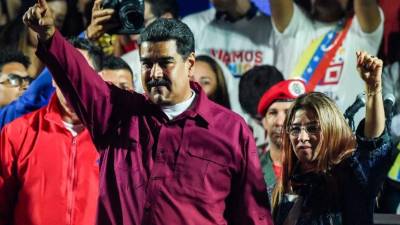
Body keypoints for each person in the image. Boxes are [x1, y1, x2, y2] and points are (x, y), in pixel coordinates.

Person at [23, 1, 273, 225]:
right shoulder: (117, 113)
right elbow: (79, 78)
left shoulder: (231, 129)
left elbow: (253, 214)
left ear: (190, 64)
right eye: (147, 64)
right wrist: (49, 37)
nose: (154, 74)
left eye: (165, 63)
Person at [271, 51, 393, 225]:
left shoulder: (352, 177)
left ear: (331, 130)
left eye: (313, 128)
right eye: (295, 129)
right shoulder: (282, 188)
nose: (302, 137)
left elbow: (374, 145)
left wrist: (373, 88)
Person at [0, 37, 105, 225]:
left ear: (98, 79)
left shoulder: (116, 135)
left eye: (81, 73)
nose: (72, 82)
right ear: (53, 79)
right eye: (63, 72)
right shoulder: (17, 133)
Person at [269, 0, 384, 123]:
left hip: (349, 138)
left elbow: (365, 3)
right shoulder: (295, 27)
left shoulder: (361, 30)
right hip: (298, 137)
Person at [256, 79, 306, 200]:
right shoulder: (250, 171)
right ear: (264, 122)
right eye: (273, 113)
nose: (280, 122)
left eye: (288, 112)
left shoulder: (321, 171)